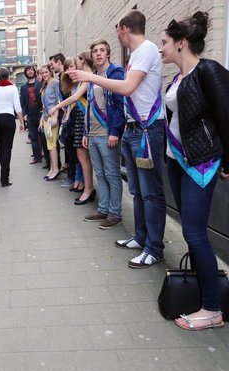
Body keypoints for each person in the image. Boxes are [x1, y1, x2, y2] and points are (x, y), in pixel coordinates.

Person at [70, 10, 166, 268]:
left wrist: (90, 76)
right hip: (133, 131)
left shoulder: (146, 50)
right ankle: (142, 237)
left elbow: (126, 88)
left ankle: (154, 248)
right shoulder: (136, 56)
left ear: (124, 29)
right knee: (136, 191)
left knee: (150, 193)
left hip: (147, 131)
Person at [160, 11, 229, 330]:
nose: (161, 48)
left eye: (164, 43)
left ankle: (213, 309)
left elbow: (226, 114)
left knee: (194, 232)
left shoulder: (208, 70)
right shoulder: (178, 78)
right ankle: (205, 293)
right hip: (177, 161)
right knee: (192, 230)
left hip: (201, 163)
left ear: (181, 43)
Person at [83, 39, 125, 229]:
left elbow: (119, 105)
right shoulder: (93, 76)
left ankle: (115, 213)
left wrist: (115, 132)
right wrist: (86, 132)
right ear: (91, 55)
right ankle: (103, 209)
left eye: (102, 50)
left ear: (108, 53)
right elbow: (89, 105)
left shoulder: (115, 73)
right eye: (95, 51)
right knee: (100, 174)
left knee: (112, 174)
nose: (98, 54)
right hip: (92, 133)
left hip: (108, 133)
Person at [51, 52, 95, 204]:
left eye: (76, 63)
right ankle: (84, 185)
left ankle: (88, 188)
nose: (74, 67)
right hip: (78, 118)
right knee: (79, 154)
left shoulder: (88, 78)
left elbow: (76, 98)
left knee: (84, 155)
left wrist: (56, 107)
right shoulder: (79, 80)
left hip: (85, 118)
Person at [0, 67, 24, 187]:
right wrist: (22, 122)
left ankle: (4, 175)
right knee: (7, 148)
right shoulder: (13, 88)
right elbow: (17, 106)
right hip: (8, 118)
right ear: (8, 76)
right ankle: (4, 178)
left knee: (1, 147)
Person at [38, 64, 61, 181]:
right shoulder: (45, 85)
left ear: (50, 72)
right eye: (42, 73)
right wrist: (41, 119)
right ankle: (52, 169)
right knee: (49, 145)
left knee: (52, 145)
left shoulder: (55, 83)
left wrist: (56, 117)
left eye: (46, 72)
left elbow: (59, 101)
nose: (44, 75)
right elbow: (44, 104)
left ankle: (56, 169)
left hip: (53, 118)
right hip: (46, 117)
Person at [20, 65, 42, 165]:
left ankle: (44, 154)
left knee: (43, 136)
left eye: (31, 69)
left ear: (34, 72)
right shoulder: (23, 87)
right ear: (25, 73)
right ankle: (37, 157)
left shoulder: (40, 84)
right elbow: (22, 103)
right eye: (28, 70)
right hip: (30, 115)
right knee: (33, 137)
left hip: (40, 114)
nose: (30, 71)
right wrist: (24, 114)